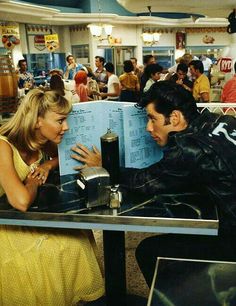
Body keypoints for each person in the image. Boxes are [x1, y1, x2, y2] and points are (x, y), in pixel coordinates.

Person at [71, 81, 236, 289]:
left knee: (149, 251)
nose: (148, 128)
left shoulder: (189, 149)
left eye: (152, 119)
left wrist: (105, 165)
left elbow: (143, 183)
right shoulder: (221, 119)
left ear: (174, 117)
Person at [0, 89, 104, 304]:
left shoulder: (44, 141)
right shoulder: (3, 145)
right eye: (60, 120)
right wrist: (32, 181)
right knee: (56, 249)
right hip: (6, 224)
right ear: (37, 121)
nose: (66, 127)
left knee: (78, 235)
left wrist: (47, 164)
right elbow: (20, 201)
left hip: (24, 218)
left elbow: (60, 156)